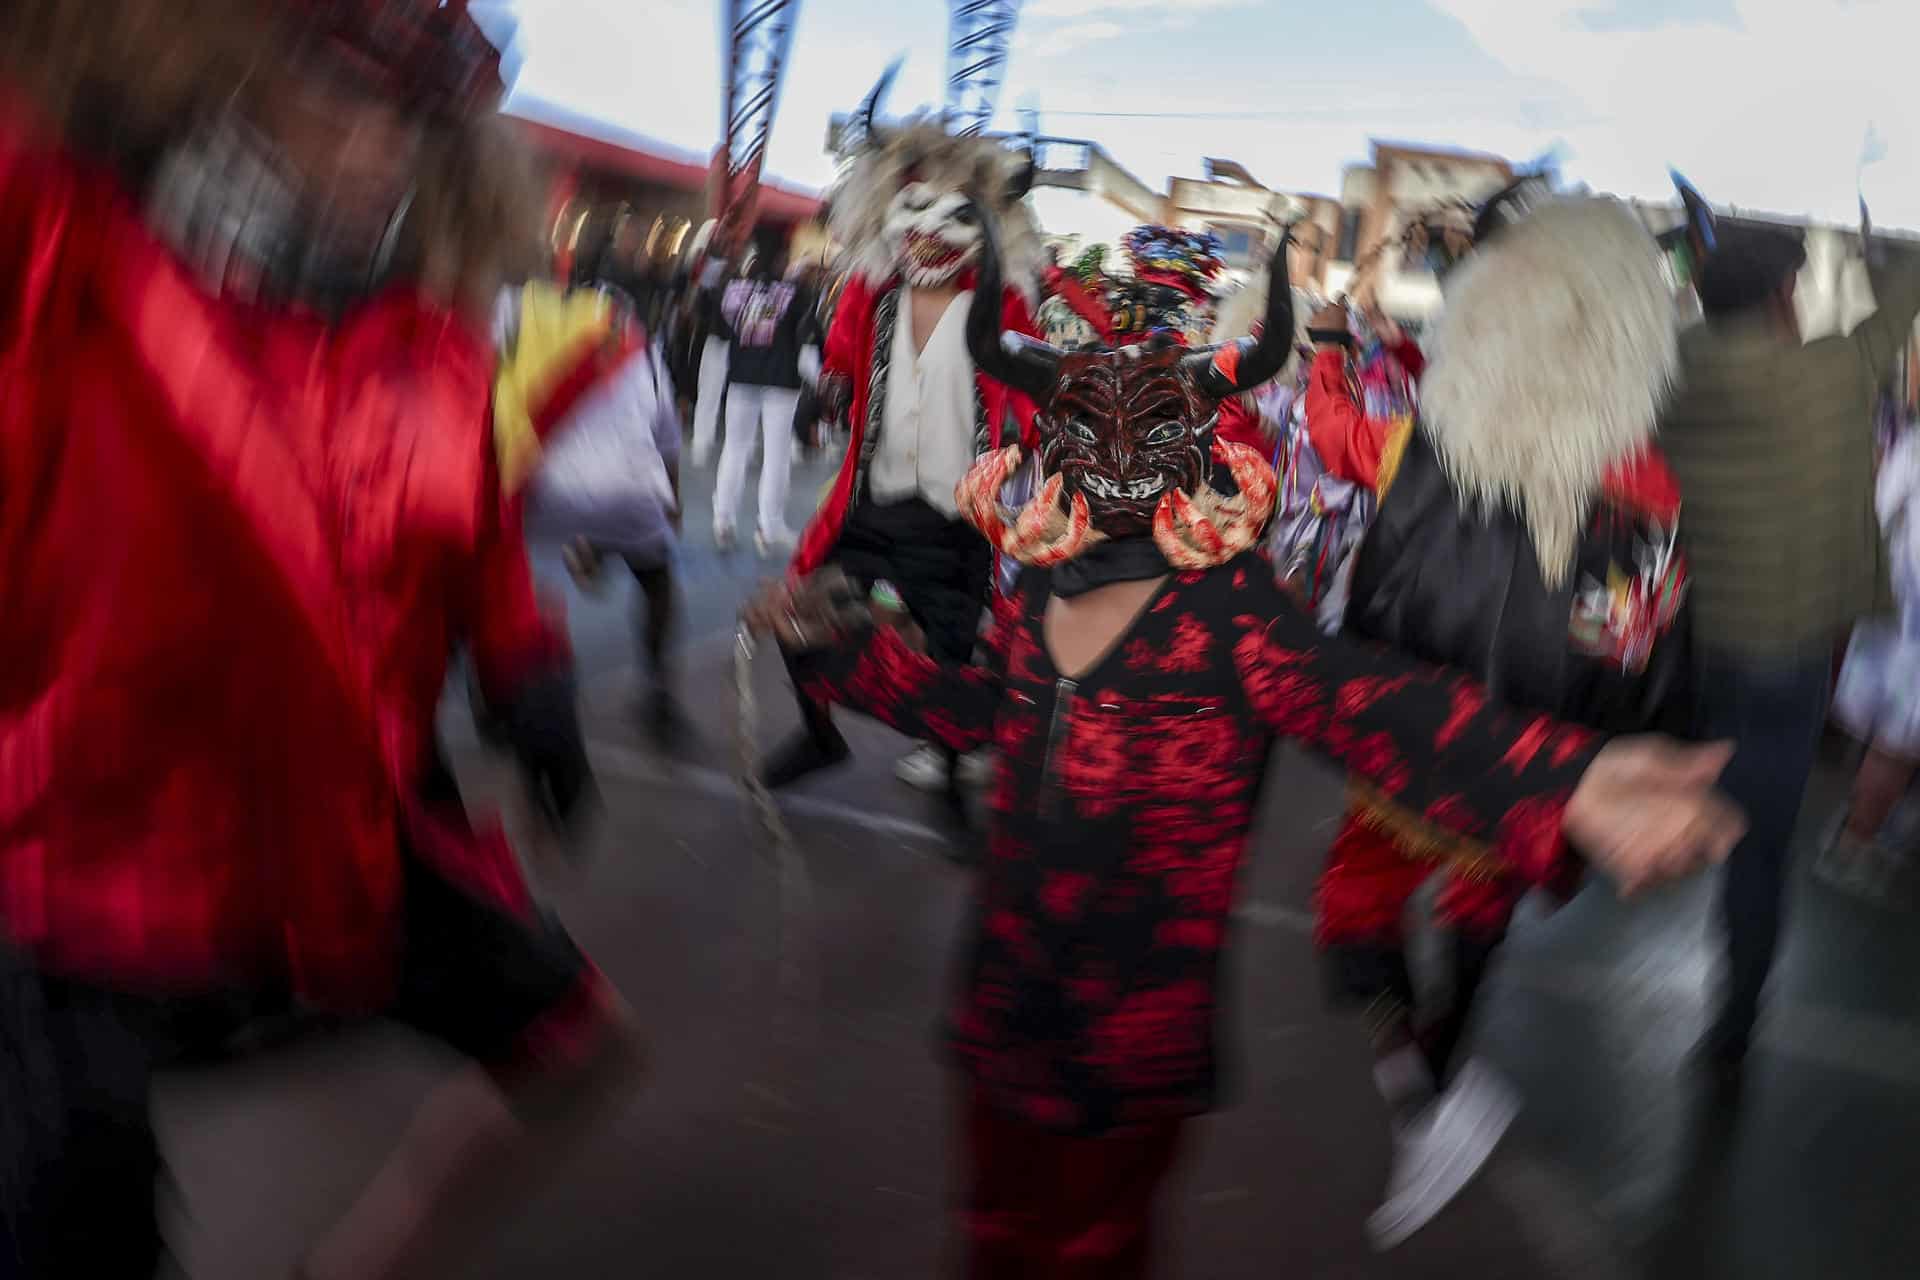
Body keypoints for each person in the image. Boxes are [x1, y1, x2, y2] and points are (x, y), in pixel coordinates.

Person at [744, 214, 1744, 1280]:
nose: (1110, 461)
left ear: (1199, 455)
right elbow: (975, 708)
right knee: (994, 1231)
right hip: (1001, 1011)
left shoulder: (1231, 615)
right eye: (1086, 429)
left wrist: (1571, 777)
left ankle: (1427, 1040)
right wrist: (840, 652)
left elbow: (1369, 701)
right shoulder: (1038, 596)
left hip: (1132, 1040)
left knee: (1093, 1248)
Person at [0, 3, 642, 1275]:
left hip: (341, 834)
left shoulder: (430, 343)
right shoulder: (74, 244)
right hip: (77, 865)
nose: (379, 148)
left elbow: (473, 527)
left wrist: (527, 667)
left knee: (585, 1045)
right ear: (222, 74)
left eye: (409, 116)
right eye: (340, 96)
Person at [1307, 194, 1694, 1245]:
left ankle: (1418, 1087)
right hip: (1537, 769)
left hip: (1412, 740)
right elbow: (1640, 649)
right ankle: (1434, 1072)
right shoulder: (1651, 491)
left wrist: (1327, 349)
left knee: (1354, 908)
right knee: (1479, 913)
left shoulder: (1421, 443)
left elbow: (1331, 432)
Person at [1658, 194, 1920, 1075]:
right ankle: (1732, 1021)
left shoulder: (1671, 378)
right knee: (1759, 838)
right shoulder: (1828, 375)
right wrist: (1879, 236)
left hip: (1698, 642)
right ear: (1783, 293)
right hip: (1793, 649)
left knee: (1699, 789)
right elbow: (1904, 296)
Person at [763, 114, 1045, 804]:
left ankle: (949, 772)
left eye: (957, 215)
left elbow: (1036, 387)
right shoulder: (871, 292)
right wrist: (825, 392)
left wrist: (1046, 446)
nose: (930, 231)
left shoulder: (1003, 303)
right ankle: (818, 728)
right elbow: (839, 361)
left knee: (945, 652)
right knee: (803, 612)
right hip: (873, 504)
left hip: (958, 517)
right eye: (916, 207)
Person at [496, 280, 688, 745]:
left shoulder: (538, 342)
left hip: (541, 491)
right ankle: (659, 691)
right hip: (625, 492)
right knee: (657, 581)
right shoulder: (645, 357)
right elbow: (668, 443)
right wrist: (673, 507)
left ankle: (494, 699)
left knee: (499, 581)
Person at [1816, 395, 1920, 905]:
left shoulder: (1911, 449)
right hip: (1908, 634)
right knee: (1895, 744)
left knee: (1894, 743)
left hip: (1896, 623)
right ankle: (1855, 840)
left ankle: (1869, 823)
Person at [711, 252, 820, 555]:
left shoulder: (734, 290)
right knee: (776, 455)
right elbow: (806, 334)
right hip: (781, 380)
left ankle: (723, 519)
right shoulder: (795, 292)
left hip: (741, 376)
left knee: (734, 448)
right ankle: (768, 527)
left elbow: (720, 331)